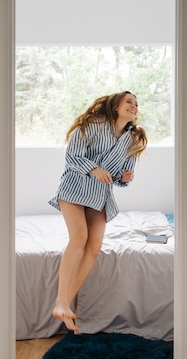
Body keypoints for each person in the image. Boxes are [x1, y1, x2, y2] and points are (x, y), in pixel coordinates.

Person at [47, 90, 148, 333]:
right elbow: (72, 157)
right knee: (79, 238)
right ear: (115, 107)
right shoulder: (93, 124)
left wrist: (125, 177)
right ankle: (61, 300)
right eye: (129, 102)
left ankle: (64, 306)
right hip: (74, 186)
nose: (134, 106)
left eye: (136, 104)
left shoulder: (132, 140)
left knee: (93, 249)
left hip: (100, 195)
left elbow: (120, 180)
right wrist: (94, 170)